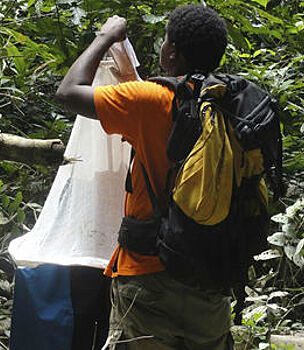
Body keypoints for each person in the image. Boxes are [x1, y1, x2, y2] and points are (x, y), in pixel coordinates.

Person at [55, 4, 234, 349]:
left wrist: (106, 37)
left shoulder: (151, 100)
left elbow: (68, 92)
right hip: (212, 281)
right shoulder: (233, 104)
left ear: (171, 52)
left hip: (149, 276)